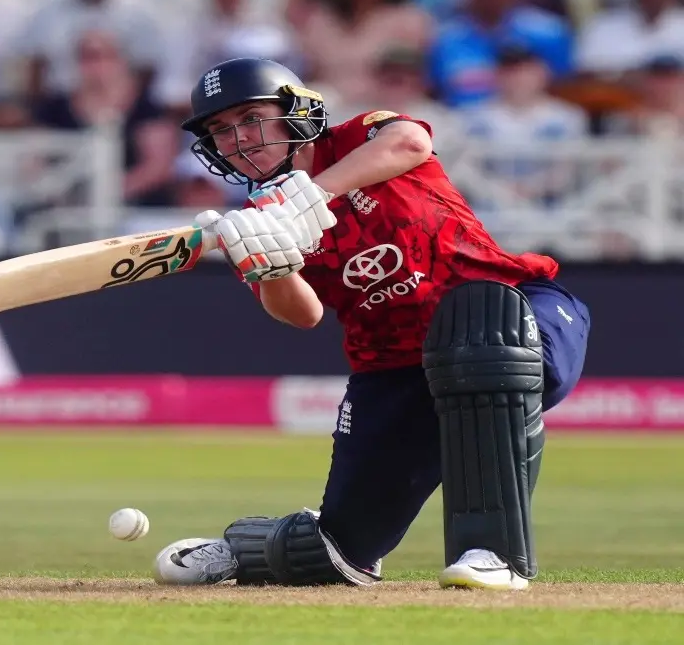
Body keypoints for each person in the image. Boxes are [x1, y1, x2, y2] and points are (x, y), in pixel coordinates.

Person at [153, 57, 591, 591]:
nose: (239, 139)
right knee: (340, 554)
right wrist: (274, 265)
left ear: (295, 112)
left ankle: (495, 554)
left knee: (485, 352)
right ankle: (244, 549)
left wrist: (311, 195)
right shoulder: (256, 217)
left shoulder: (358, 138)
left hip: (512, 308)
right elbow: (303, 313)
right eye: (221, 131)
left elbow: (411, 142)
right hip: (394, 365)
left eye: (251, 117)